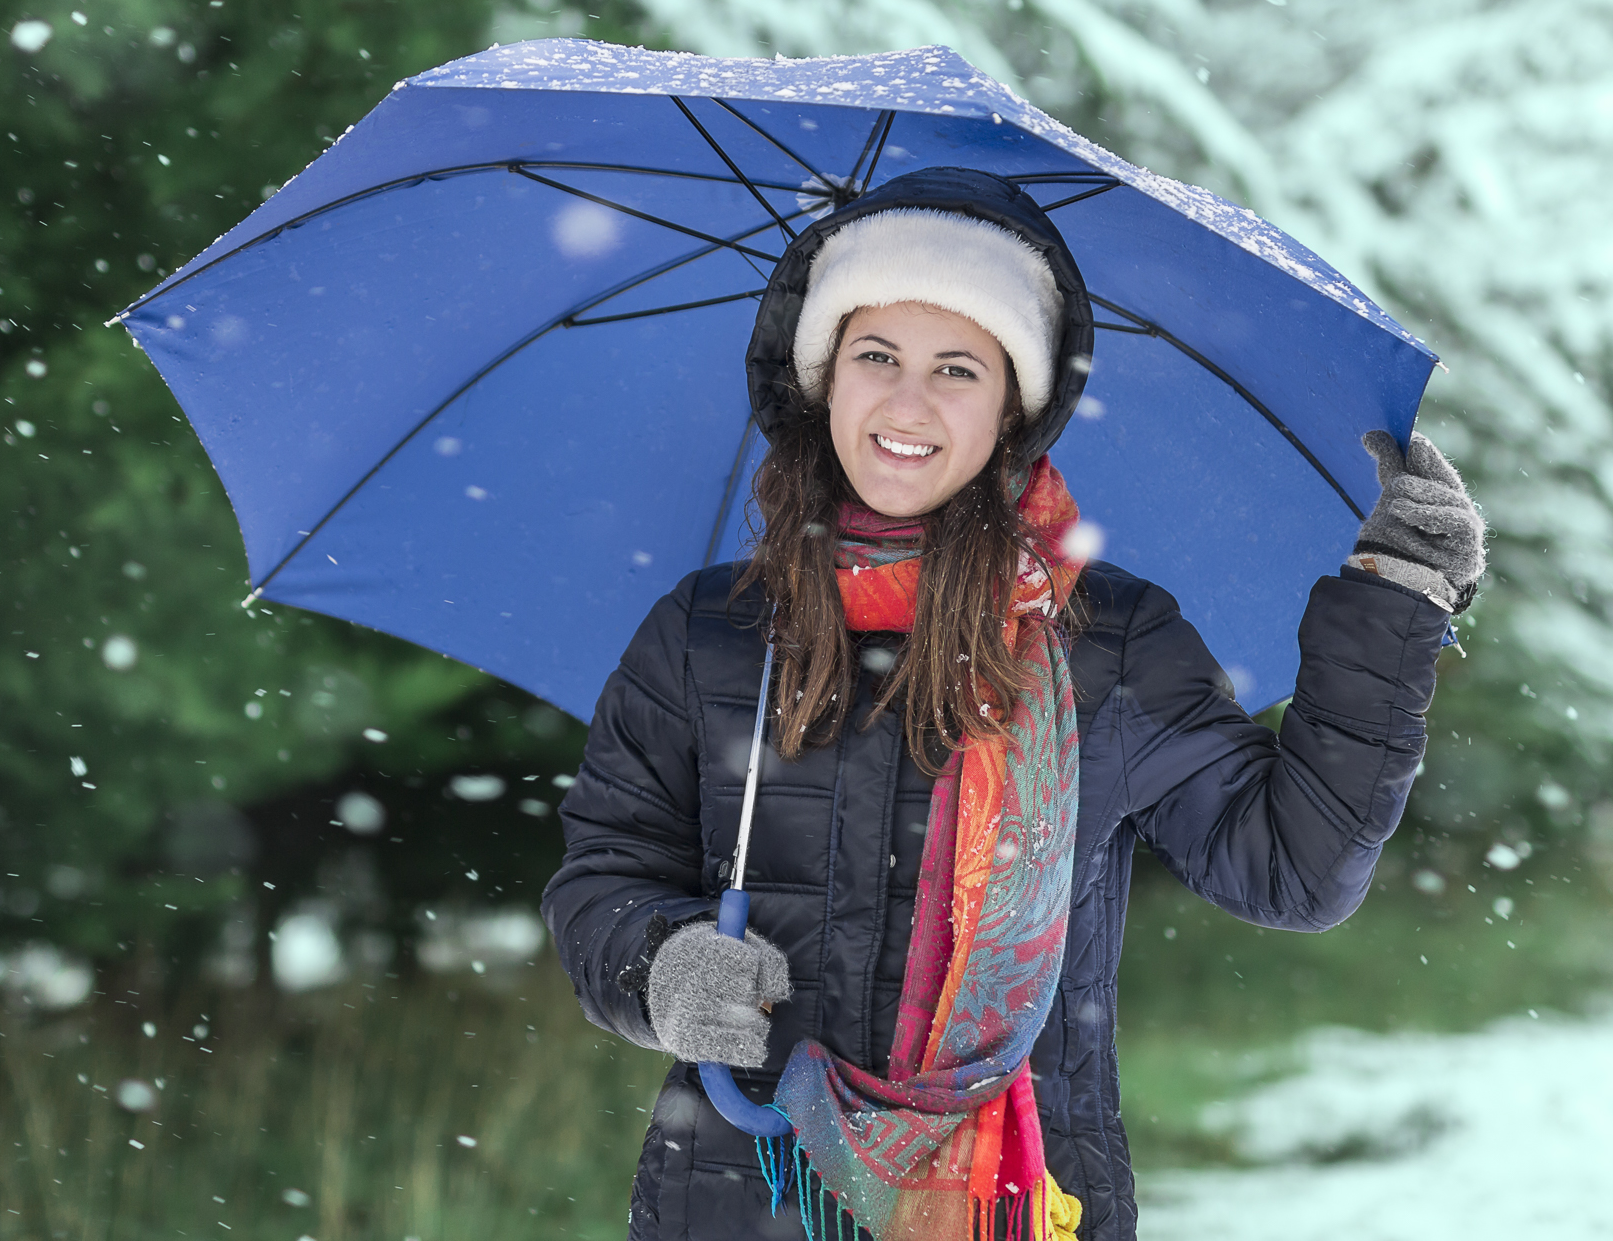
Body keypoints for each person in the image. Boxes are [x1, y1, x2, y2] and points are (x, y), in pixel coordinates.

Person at [541, 167, 1483, 1241]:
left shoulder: (1109, 642)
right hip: (744, 1198)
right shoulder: (715, 630)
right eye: (876, 356)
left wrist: (1396, 606)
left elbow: (1294, 869)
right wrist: (656, 962)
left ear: (1011, 406)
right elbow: (604, 877)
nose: (907, 402)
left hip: (1020, 1203)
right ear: (824, 381)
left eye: (957, 368)